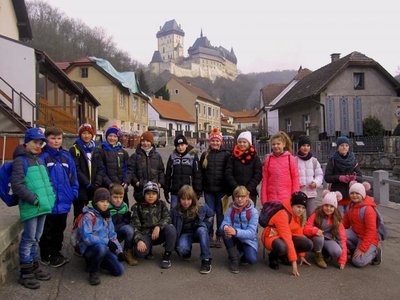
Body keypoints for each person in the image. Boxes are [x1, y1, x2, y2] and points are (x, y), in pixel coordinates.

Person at [11, 128, 56, 289]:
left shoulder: (38, 159)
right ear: (26, 142)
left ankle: (34, 265)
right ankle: (25, 272)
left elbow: (45, 181)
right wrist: (34, 199)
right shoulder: (20, 161)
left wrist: (51, 197)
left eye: (40, 143)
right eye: (35, 142)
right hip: (32, 207)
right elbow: (17, 185)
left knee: (37, 237)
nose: (38, 145)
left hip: (42, 206)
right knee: (29, 238)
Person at [39, 126, 78, 267]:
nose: (56, 141)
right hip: (49, 202)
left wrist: (73, 193)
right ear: (46, 139)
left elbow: (73, 177)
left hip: (64, 202)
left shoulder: (67, 157)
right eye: (53, 138)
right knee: (46, 230)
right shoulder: (42, 157)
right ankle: (46, 255)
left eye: (59, 138)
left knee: (59, 229)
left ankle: (56, 253)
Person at [78, 188, 124, 285]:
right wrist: (107, 242)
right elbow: (86, 238)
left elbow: (112, 235)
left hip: (104, 248)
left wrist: (119, 251)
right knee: (101, 248)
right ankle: (93, 271)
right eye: (102, 201)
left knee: (119, 271)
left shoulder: (107, 215)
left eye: (107, 201)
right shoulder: (88, 216)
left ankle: (99, 261)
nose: (105, 204)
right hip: (89, 249)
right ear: (95, 202)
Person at [261, 191, 313, 276]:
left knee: (308, 244)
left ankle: (284, 256)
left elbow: (298, 233)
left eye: (303, 208)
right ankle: (273, 257)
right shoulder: (283, 214)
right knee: (282, 247)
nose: (301, 210)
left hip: (286, 236)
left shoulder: (298, 215)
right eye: (298, 207)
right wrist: (294, 263)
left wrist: (302, 256)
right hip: (271, 237)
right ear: (292, 205)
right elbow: (287, 238)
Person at [131, 181, 177, 269]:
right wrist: (139, 240)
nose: (151, 196)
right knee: (139, 253)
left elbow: (167, 218)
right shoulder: (137, 207)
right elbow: (135, 226)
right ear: (144, 194)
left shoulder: (162, 204)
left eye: (153, 193)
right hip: (146, 235)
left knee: (171, 228)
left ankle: (167, 256)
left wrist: (158, 226)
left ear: (158, 195)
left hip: (159, 234)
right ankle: (147, 249)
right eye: (148, 193)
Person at [170, 185, 213, 274]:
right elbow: (171, 226)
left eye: (188, 199)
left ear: (193, 199)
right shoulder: (174, 211)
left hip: (198, 231)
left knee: (202, 230)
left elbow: (211, 215)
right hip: (185, 233)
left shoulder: (201, 207)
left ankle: (206, 259)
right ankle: (187, 251)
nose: (186, 202)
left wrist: (206, 225)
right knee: (182, 249)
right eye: (183, 199)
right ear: (179, 199)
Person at [200, 128, 231, 248]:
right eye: (213, 141)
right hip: (208, 190)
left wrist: (228, 190)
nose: (215, 143)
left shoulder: (226, 155)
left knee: (221, 214)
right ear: (210, 142)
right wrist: (200, 188)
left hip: (222, 191)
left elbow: (229, 173)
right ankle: (209, 234)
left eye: (217, 141)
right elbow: (201, 173)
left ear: (221, 142)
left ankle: (219, 234)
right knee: (209, 214)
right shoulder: (205, 155)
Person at [304, 190, 347, 269]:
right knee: (319, 237)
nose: (328, 208)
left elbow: (342, 239)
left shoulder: (337, 219)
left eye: (331, 206)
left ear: (335, 207)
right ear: (322, 205)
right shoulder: (316, 214)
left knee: (337, 252)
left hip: (328, 239)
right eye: (326, 205)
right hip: (316, 238)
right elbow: (306, 228)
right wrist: (315, 230)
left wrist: (342, 260)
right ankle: (318, 255)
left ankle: (325, 252)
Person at [220, 186, 258, 274]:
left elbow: (252, 233)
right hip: (235, 238)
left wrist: (235, 232)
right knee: (225, 232)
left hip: (248, 240)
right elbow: (224, 223)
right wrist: (226, 227)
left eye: (242, 196)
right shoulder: (231, 209)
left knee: (251, 260)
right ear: (234, 198)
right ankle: (234, 259)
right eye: (237, 197)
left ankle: (240, 253)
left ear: (247, 197)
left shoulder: (253, 212)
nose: (240, 199)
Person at [344, 181, 381, 267]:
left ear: (363, 195)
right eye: (352, 193)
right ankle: (354, 250)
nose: (354, 195)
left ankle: (375, 252)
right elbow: (344, 224)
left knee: (358, 262)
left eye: (357, 193)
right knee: (340, 234)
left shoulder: (368, 209)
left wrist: (362, 248)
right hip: (356, 234)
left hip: (369, 238)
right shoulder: (350, 205)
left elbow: (371, 231)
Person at [69, 123, 102, 218]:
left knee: (93, 215)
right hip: (81, 188)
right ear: (80, 134)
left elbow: (101, 168)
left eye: (89, 133)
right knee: (79, 216)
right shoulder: (74, 149)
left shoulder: (96, 150)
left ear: (92, 135)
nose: (86, 136)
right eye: (84, 133)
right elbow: (76, 169)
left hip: (94, 188)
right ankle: (77, 232)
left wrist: (97, 184)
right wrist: (87, 184)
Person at [324, 136, 362, 214]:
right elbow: (327, 177)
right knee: (340, 218)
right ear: (338, 147)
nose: (344, 147)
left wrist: (354, 178)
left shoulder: (353, 160)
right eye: (342, 145)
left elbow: (360, 177)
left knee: (351, 219)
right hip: (337, 194)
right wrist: (339, 178)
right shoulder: (333, 160)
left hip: (351, 195)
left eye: (346, 145)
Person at [261, 131, 299, 205]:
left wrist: (294, 198)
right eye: (273, 144)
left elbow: (295, 179)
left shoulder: (290, 159)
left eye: (278, 144)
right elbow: (265, 180)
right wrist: (264, 199)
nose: (276, 146)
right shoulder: (268, 160)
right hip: (271, 199)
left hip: (286, 199)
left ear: (284, 144)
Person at [165, 134, 202, 208]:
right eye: (178, 146)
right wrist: (166, 190)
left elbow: (197, 175)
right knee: (174, 213)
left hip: (188, 192)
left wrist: (198, 191)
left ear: (186, 145)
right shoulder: (172, 157)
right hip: (175, 191)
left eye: (182, 145)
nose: (180, 147)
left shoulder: (193, 156)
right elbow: (168, 175)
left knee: (189, 214)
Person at [225, 131, 262, 204]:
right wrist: (236, 187)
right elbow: (228, 173)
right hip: (236, 191)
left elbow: (258, 174)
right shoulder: (232, 157)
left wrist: (248, 189)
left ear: (249, 143)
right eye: (240, 142)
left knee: (250, 214)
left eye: (244, 142)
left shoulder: (255, 157)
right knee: (237, 213)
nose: (242, 144)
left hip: (250, 192)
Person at [98, 125, 130, 205]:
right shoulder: (101, 152)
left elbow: (128, 169)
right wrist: (109, 183)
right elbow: (101, 170)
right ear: (106, 137)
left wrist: (126, 181)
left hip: (121, 188)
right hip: (108, 187)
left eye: (115, 136)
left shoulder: (123, 152)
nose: (112, 138)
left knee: (123, 210)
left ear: (118, 138)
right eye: (110, 136)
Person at [129, 131, 165, 203]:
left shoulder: (157, 156)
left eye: (148, 141)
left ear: (151, 142)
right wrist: (137, 183)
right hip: (140, 191)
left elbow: (161, 171)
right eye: (143, 141)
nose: (145, 143)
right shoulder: (135, 156)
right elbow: (131, 172)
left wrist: (160, 183)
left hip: (154, 191)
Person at [109, 184, 138, 266]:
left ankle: (127, 251)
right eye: (115, 197)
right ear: (110, 196)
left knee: (129, 230)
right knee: (114, 259)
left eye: (121, 197)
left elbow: (127, 219)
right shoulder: (106, 206)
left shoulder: (124, 206)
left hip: (120, 230)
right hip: (109, 233)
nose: (118, 200)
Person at [294, 135, 323, 217]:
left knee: (311, 217)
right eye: (303, 145)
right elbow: (291, 176)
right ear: (299, 147)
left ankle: (309, 230)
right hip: (298, 194)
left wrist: (316, 183)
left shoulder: (314, 161)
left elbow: (319, 174)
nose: (305, 148)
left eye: (308, 145)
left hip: (311, 193)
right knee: (298, 217)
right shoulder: (294, 160)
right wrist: (297, 184)